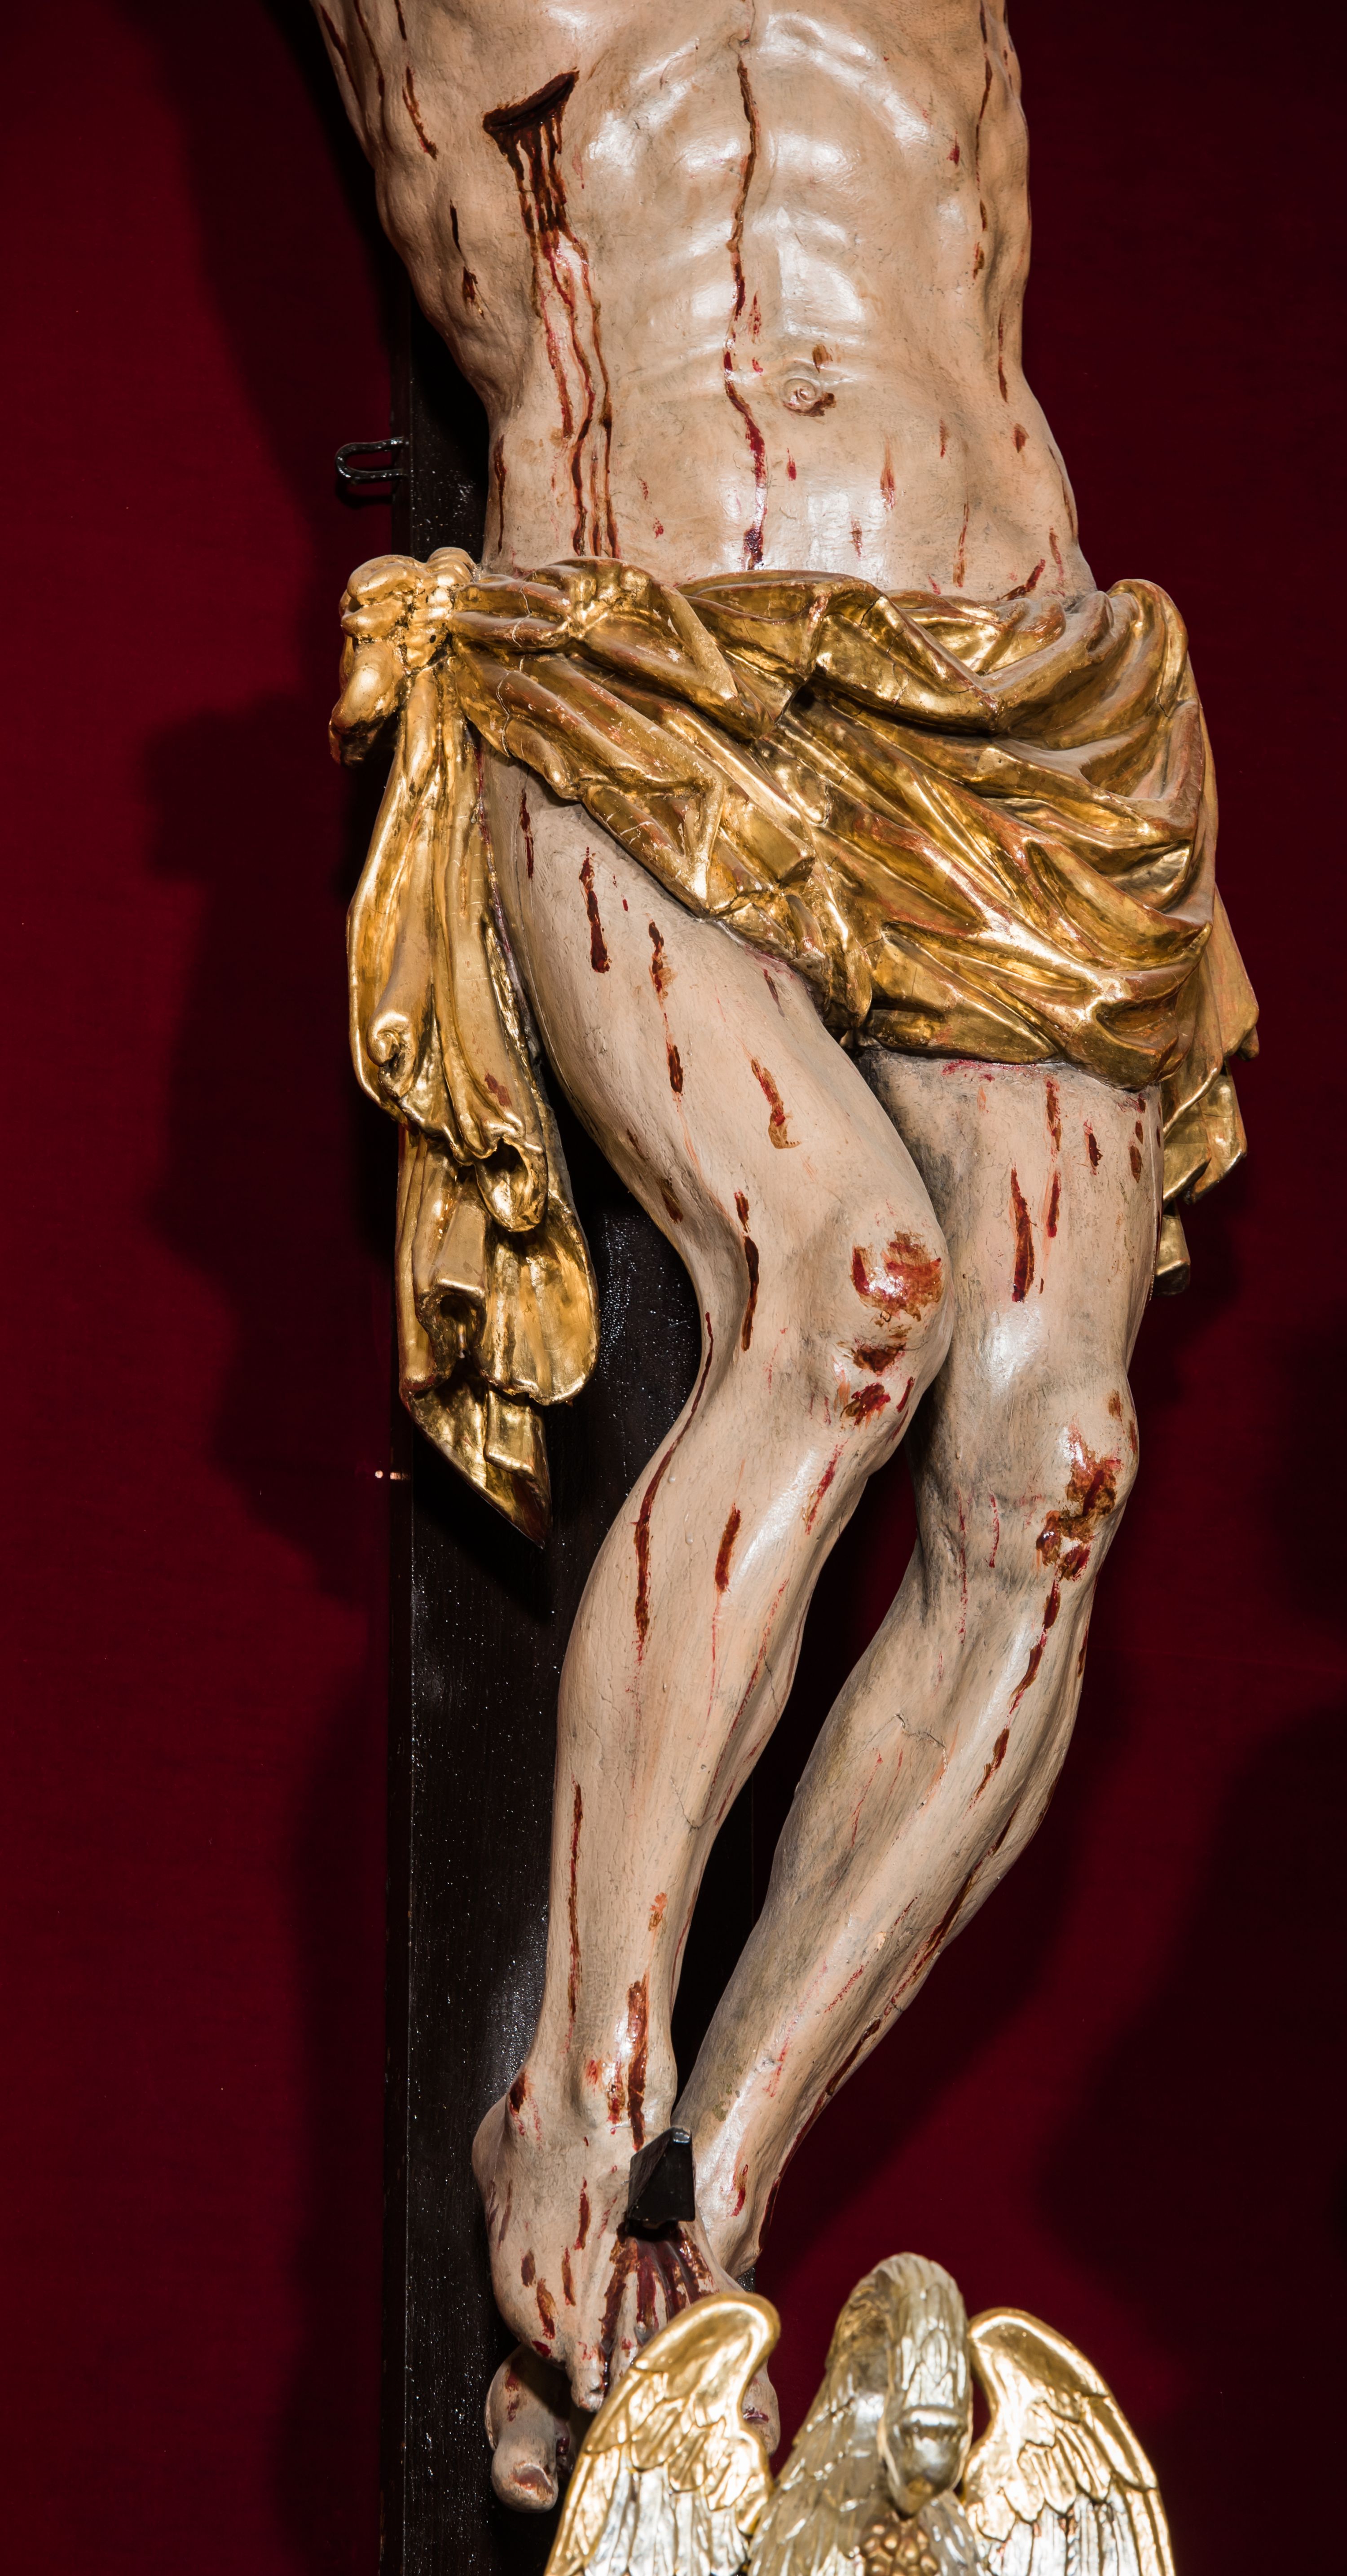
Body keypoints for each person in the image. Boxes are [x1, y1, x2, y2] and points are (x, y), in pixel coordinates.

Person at [316, 0, 1255, 2508]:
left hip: (1017, 684)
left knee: (1056, 1464)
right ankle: (575, 2098)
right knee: (850, 1292)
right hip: (641, 648)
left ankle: (701, 2203)